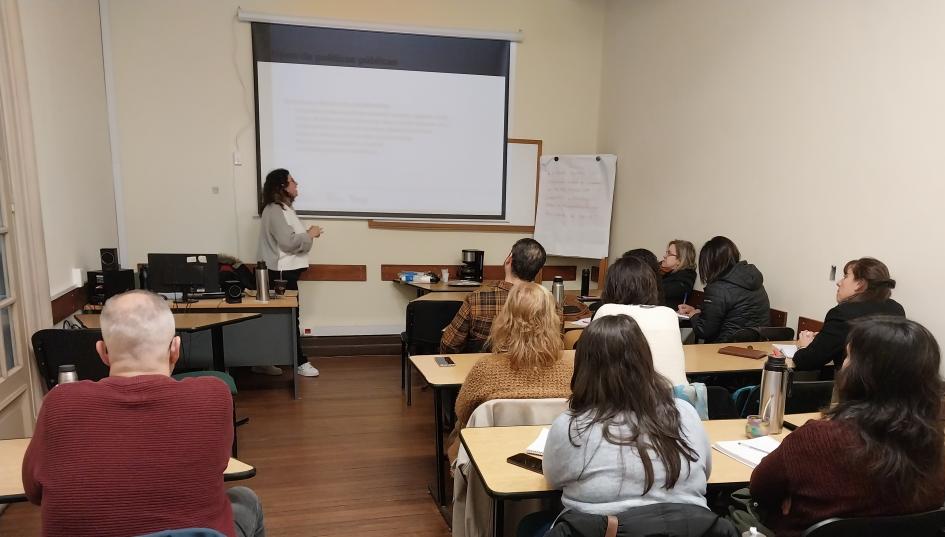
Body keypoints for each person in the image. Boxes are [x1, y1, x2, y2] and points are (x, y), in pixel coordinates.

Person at [22, 291, 265, 537]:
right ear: (175, 348)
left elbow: (33, 492)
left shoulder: (59, 401)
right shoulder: (213, 394)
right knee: (245, 499)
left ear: (102, 351)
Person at [749, 316, 945, 537]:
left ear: (864, 375)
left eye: (849, 357)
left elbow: (759, 490)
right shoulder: (935, 441)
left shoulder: (816, 439)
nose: (843, 365)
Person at [541, 315, 711, 524]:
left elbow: (553, 479)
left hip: (603, 530)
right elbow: (705, 472)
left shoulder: (570, 426)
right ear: (645, 360)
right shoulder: (685, 413)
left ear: (584, 368)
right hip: (689, 528)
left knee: (530, 525)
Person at [448, 282, 572, 461]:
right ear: (552, 320)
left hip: (491, 458)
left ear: (506, 319)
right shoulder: (571, 370)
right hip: (554, 458)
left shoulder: (486, 369)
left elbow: (462, 411)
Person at [441, 238, 589, 353]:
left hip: (481, 374)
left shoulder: (476, 299)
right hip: (531, 382)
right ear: (537, 271)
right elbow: (555, 345)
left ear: (508, 260)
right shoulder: (550, 304)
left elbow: (450, 344)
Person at [257, 168, 322, 377]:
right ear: (282, 187)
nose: (297, 185)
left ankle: (263, 361)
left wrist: (306, 238)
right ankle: (299, 362)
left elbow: (294, 242)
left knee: (283, 319)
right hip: (281, 274)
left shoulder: (283, 209)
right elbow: (289, 242)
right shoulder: (275, 210)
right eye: (292, 182)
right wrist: (310, 235)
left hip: (285, 272)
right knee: (289, 319)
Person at [792, 257, 904, 373]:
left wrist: (804, 346)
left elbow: (807, 361)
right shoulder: (897, 309)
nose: (838, 282)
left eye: (845, 276)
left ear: (859, 284)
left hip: (852, 386)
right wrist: (823, 338)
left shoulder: (842, 314)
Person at [592, 256, 688, 386]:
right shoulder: (668, 314)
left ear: (611, 286)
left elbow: (592, 361)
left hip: (626, 400)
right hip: (676, 400)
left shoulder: (607, 312)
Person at [677, 236, 769, 343]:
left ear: (710, 262)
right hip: (757, 347)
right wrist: (698, 311)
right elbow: (735, 313)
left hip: (725, 349)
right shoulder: (753, 280)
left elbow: (704, 330)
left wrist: (694, 315)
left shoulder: (718, 287)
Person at [660, 239, 697, 310]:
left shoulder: (685, 279)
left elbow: (656, 290)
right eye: (666, 252)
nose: (664, 256)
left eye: (669, 253)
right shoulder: (666, 272)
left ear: (680, 260)